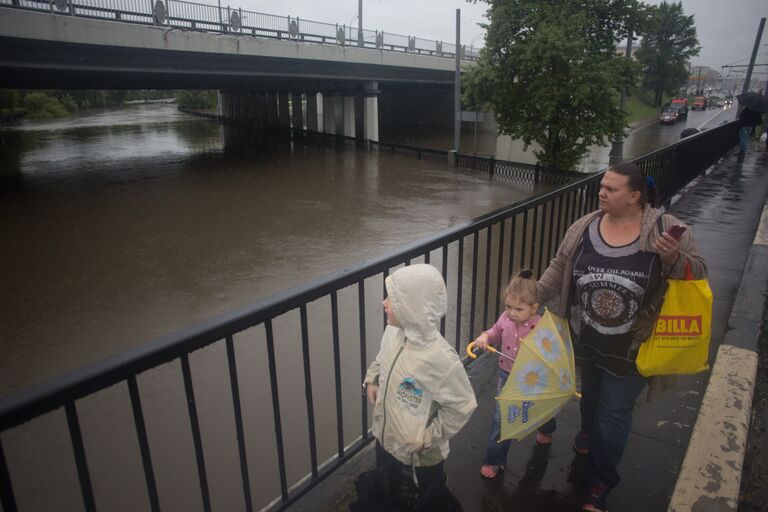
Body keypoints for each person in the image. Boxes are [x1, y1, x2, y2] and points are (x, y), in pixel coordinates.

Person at [536, 162, 707, 512]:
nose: (601, 192)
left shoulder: (669, 229)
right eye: (601, 186)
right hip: (586, 338)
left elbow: (699, 272)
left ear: (634, 196)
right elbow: (559, 265)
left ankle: (599, 482)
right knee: (591, 398)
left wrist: (672, 259)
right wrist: (532, 297)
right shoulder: (585, 225)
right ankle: (586, 435)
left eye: (610, 189)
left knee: (614, 413)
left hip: (634, 347)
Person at [362, 264, 477, 510]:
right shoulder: (393, 333)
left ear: (411, 308)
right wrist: (372, 378)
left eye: (391, 299)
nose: (383, 303)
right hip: (386, 439)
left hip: (421, 458)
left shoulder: (441, 360)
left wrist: (427, 438)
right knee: (390, 492)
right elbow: (382, 358)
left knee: (424, 499)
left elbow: (463, 406)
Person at [474, 270, 557, 479]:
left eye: (518, 309)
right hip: (506, 375)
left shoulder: (540, 325)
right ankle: (494, 460)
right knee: (503, 418)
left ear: (533, 308)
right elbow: (495, 332)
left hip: (533, 379)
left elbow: (549, 351)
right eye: (508, 307)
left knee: (536, 409)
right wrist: (485, 336)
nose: (511, 312)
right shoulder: (505, 319)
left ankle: (547, 426)